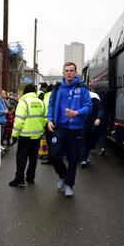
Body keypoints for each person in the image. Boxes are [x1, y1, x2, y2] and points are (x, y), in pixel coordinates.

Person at [47, 62, 92, 197]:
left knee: (73, 158)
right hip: (60, 127)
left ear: (75, 72)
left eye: (72, 71)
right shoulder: (57, 87)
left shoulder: (82, 88)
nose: (69, 73)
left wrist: (76, 113)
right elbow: (51, 104)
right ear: (63, 73)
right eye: (66, 71)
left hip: (75, 128)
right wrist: (50, 119)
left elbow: (89, 106)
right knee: (53, 154)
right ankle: (63, 175)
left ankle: (69, 185)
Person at [9, 83, 47, 187]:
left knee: (21, 157)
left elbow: (19, 120)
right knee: (33, 157)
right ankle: (30, 177)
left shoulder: (23, 102)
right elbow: (45, 119)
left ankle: (19, 179)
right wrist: (41, 129)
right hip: (37, 135)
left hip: (25, 135)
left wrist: (14, 134)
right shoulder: (41, 102)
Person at [80, 88, 104, 167]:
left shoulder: (94, 96)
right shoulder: (78, 96)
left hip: (91, 123)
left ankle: (85, 157)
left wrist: (98, 118)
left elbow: (100, 109)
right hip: (81, 122)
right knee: (83, 140)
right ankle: (83, 159)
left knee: (88, 141)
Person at [41, 84, 54, 165]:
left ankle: (50, 158)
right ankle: (51, 156)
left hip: (48, 122)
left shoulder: (46, 98)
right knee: (54, 140)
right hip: (55, 122)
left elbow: (43, 111)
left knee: (49, 141)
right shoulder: (57, 97)